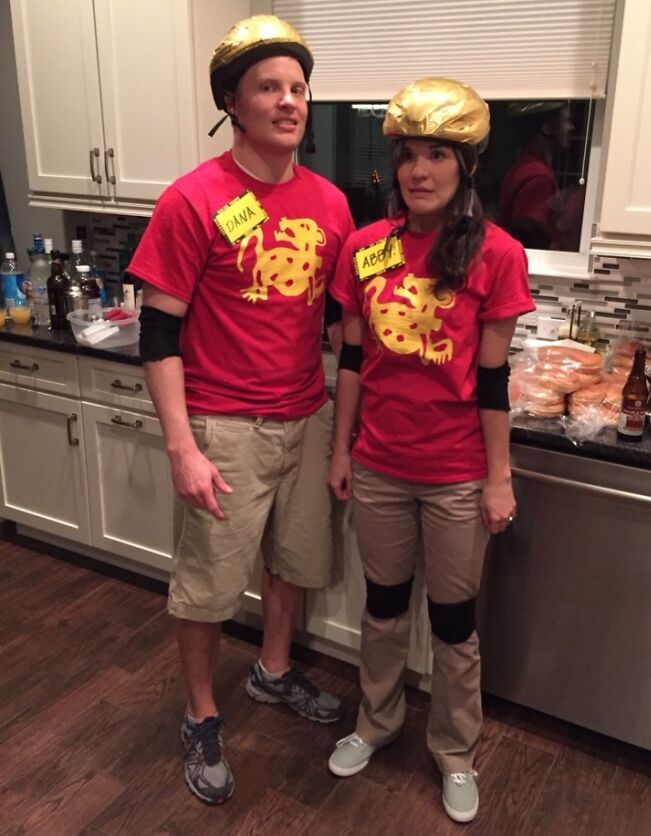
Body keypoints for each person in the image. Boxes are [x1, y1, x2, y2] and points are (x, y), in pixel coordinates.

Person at [128, 14, 354, 806]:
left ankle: (275, 671)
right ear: (235, 100)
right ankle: (200, 713)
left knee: (293, 563)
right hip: (223, 425)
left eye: (298, 87)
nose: (289, 101)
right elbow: (157, 335)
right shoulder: (193, 201)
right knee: (207, 586)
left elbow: (339, 322)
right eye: (269, 87)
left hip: (305, 414)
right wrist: (183, 448)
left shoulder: (331, 205)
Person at [326, 77, 535, 823]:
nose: (419, 170)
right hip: (380, 462)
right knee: (382, 610)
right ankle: (375, 723)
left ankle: (453, 750)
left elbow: (492, 378)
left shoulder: (498, 255)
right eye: (408, 155)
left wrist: (499, 479)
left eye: (437, 155)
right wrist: (342, 449)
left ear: (466, 166)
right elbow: (351, 360)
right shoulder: (364, 249)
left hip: (456, 476)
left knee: (453, 623)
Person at [498, 101, 576, 250]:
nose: (571, 128)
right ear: (548, 128)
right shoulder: (538, 178)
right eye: (566, 121)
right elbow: (529, 240)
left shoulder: (524, 166)